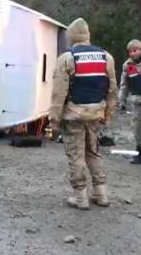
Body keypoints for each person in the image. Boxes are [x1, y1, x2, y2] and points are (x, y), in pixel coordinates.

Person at [48, 18, 117, 210]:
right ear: (88, 34)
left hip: (74, 116)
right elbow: (112, 89)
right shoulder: (106, 57)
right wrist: (108, 112)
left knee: (76, 155)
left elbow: (59, 93)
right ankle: (101, 194)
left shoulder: (66, 58)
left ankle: (80, 197)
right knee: (93, 152)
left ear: (71, 37)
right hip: (96, 114)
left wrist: (54, 119)